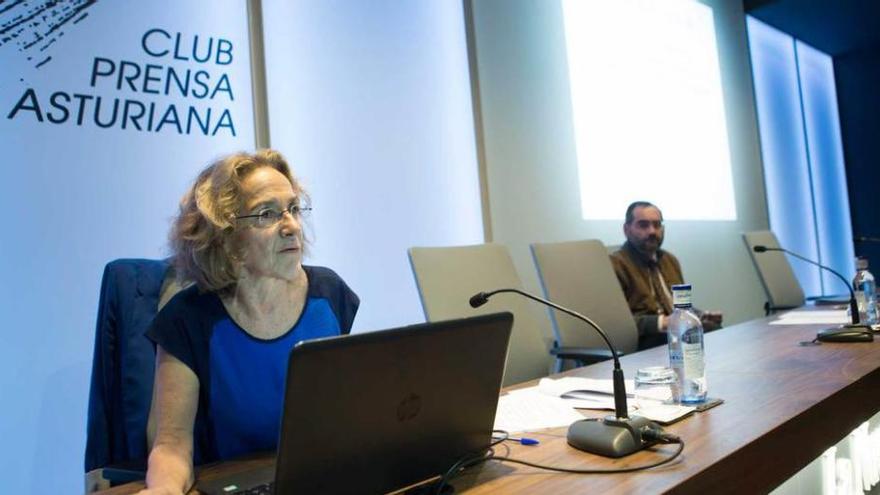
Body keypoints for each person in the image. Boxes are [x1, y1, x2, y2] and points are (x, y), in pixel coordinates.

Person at [139, 150, 359, 494]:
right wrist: (163, 490)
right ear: (224, 235)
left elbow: (345, 419)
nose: (291, 226)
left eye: (294, 209)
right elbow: (171, 446)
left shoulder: (330, 295)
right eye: (267, 214)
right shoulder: (188, 320)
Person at [610, 201, 721, 350]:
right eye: (643, 225)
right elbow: (617, 323)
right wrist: (662, 322)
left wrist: (699, 315)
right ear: (626, 229)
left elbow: (679, 308)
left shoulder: (670, 260)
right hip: (647, 341)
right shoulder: (616, 265)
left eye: (657, 225)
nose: (652, 231)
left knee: (715, 330)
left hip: (676, 334)